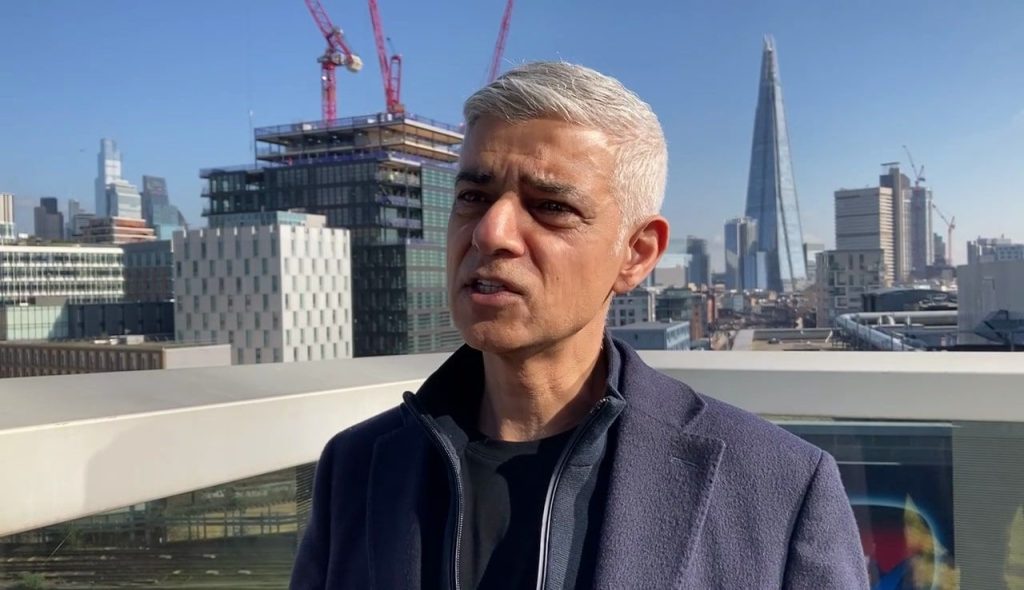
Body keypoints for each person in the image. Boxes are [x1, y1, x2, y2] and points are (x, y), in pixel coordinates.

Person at [290, 61, 868, 590]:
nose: (491, 233)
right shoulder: (357, 466)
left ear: (637, 255)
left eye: (550, 207)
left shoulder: (781, 487)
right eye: (472, 194)